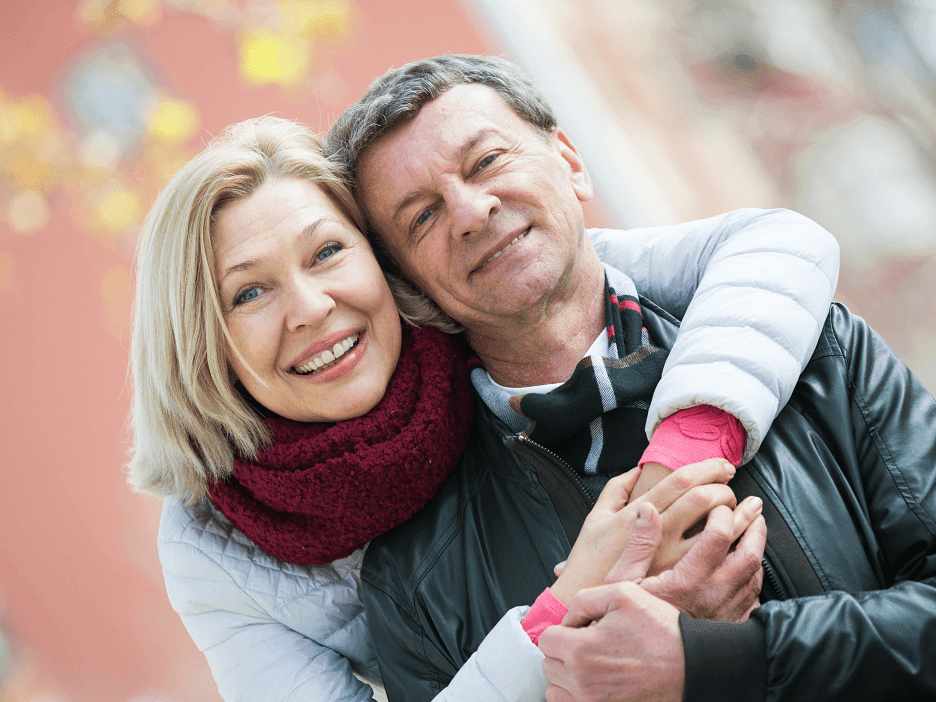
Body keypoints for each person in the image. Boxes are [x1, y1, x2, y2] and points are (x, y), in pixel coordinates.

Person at [132, 116, 836, 702]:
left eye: (327, 252)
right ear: (200, 347)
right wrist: (564, 615)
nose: (311, 309)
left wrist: (679, 460)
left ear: (384, 262)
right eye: (248, 294)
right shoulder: (212, 550)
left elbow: (777, 245)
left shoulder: (482, 303)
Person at [326, 53, 936, 702]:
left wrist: (725, 660)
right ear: (411, 289)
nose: (471, 211)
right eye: (422, 216)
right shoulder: (412, 578)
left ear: (570, 161)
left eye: (486, 162)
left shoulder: (820, 350)